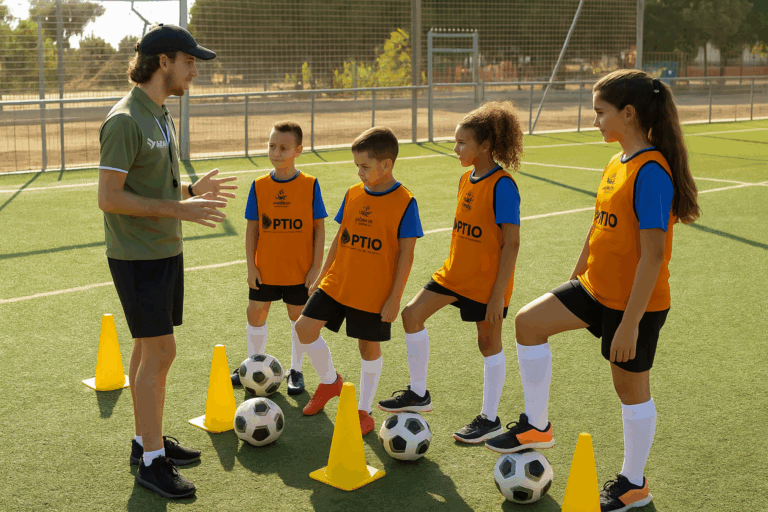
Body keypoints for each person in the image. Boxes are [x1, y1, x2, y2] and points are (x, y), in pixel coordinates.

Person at [485, 70, 701, 512]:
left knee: (630, 391)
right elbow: (598, 224)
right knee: (528, 323)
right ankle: (536, 425)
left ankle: (634, 483)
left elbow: (653, 257)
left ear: (628, 113)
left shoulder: (652, 172)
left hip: (634, 305)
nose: (594, 121)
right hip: (594, 289)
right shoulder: (615, 161)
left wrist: (630, 325)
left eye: (600, 113)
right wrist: (576, 274)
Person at [97, 24, 236, 499]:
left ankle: (145, 443)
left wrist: (192, 191)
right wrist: (180, 208)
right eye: (189, 61)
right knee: (161, 353)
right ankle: (152, 463)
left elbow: (153, 186)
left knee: (145, 350)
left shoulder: (160, 114)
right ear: (164, 63)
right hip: (138, 256)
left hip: (163, 250)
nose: (194, 70)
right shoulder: (124, 120)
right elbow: (109, 198)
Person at [378, 101, 524, 444]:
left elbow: (512, 245)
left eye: (462, 143)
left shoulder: (503, 185)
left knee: (488, 344)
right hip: (452, 275)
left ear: (485, 146)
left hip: (486, 284)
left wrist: (497, 295)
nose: (455, 148)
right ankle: (418, 393)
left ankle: (489, 419)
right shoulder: (466, 178)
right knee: (411, 316)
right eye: (455, 141)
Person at [294, 127, 423, 435]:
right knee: (302, 329)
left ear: (386, 165)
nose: (359, 172)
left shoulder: (405, 201)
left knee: (368, 347)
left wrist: (394, 299)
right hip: (338, 282)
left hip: (374, 292)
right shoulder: (353, 193)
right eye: (358, 166)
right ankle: (329, 383)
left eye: (365, 166)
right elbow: (340, 236)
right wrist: (322, 273)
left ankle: (363, 411)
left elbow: (407, 255)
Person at [232, 121, 327, 395]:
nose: (276, 152)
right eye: (272, 146)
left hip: (299, 271)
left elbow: (319, 229)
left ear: (298, 150)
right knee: (255, 313)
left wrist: (315, 269)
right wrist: (251, 266)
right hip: (265, 269)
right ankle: (252, 366)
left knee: (298, 320)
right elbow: (252, 229)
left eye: (283, 148)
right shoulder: (259, 185)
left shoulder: (310, 184)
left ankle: (295, 370)